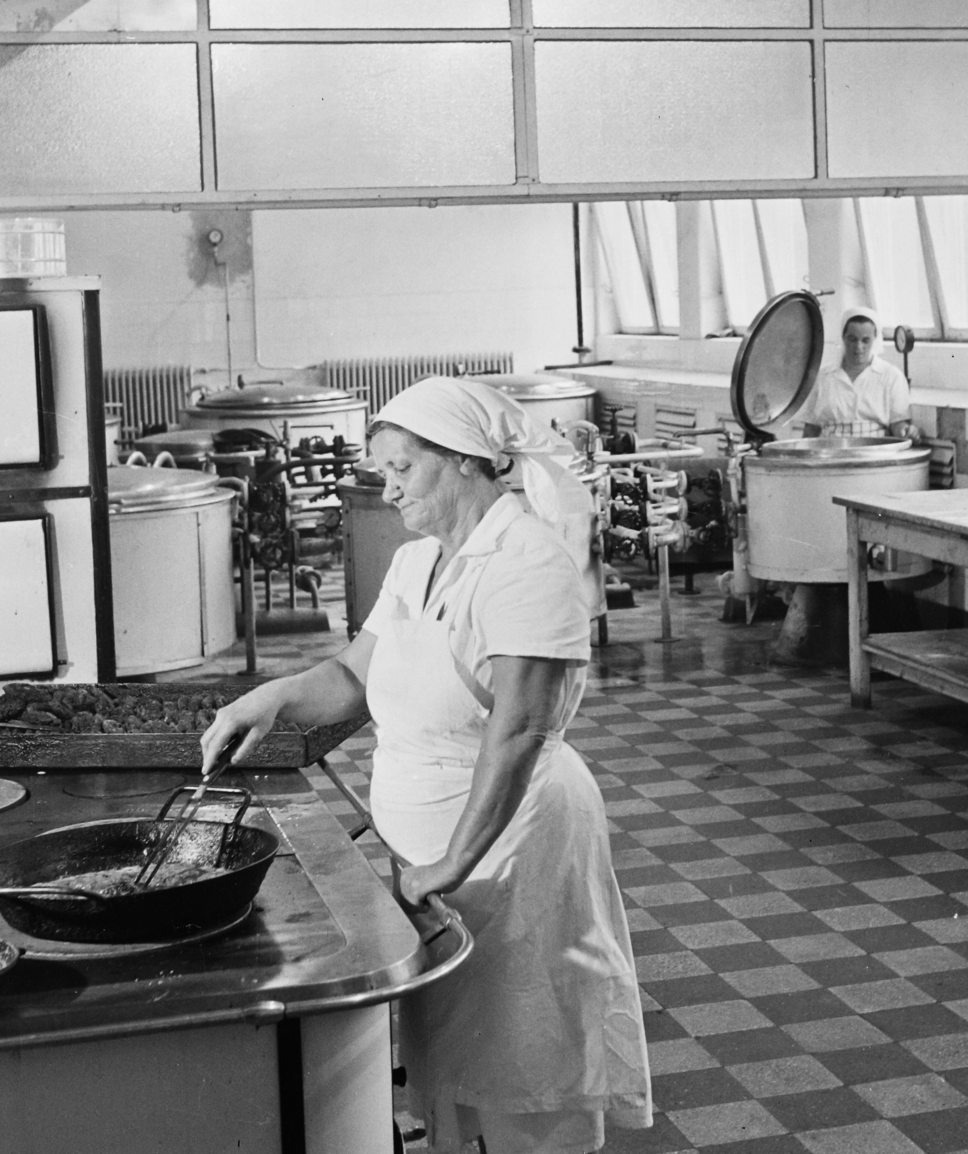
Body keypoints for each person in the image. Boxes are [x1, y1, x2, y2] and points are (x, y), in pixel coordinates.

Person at [200, 376, 651, 1154]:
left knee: (526, 1068)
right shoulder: (418, 562)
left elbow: (519, 729)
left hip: (512, 851)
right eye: (383, 470)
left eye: (404, 467)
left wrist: (452, 860)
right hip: (439, 865)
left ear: (468, 460)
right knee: (461, 1063)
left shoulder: (527, 562)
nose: (389, 486)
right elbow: (351, 677)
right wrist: (266, 699)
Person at [800, 308, 919, 440]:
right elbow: (811, 428)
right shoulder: (823, 377)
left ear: (875, 339)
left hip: (876, 454)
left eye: (865, 340)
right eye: (852, 339)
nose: (858, 347)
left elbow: (898, 423)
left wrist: (906, 431)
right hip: (831, 454)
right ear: (843, 337)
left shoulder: (891, 377)